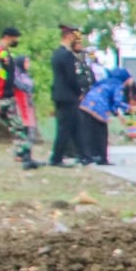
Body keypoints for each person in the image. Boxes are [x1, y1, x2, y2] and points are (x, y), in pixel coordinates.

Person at [0, 26, 40, 170]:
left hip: (7, 97)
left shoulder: (6, 54)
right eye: (15, 38)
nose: (17, 41)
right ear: (7, 37)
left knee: (18, 127)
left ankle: (24, 156)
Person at [48, 25, 89, 167]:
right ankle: (56, 157)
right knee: (65, 128)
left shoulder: (56, 53)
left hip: (60, 95)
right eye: (74, 36)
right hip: (68, 96)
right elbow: (71, 77)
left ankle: (84, 155)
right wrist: (79, 93)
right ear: (69, 37)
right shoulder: (66, 55)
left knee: (75, 126)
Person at [79, 66, 133, 164]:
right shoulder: (118, 85)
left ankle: (89, 156)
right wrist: (128, 108)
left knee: (89, 132)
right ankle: (102, 158)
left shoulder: (105, 82)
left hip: (86, 105)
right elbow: (117, 101)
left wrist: (117, 114)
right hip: (99, 107)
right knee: (101, 133)